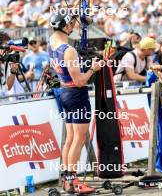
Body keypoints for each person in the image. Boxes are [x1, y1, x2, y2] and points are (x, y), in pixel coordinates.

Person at [48, 11, 103, 194]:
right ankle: (73, 182)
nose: (73, 26)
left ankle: (67, 179)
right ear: (65, 26)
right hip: (76, 93)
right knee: (78, 140)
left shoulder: (51, 42)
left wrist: (77, 3)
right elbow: (80, 81)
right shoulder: (68, 50)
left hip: (65, 91)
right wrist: (93, 69)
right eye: (71, 24)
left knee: (70, 139)